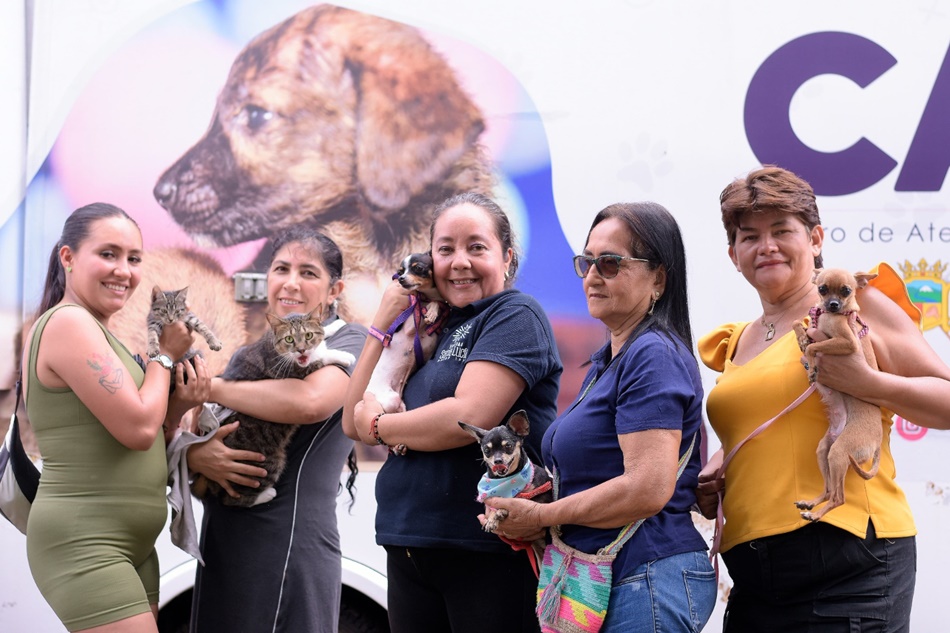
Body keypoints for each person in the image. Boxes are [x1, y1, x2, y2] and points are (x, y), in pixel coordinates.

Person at [694, 165, 950, 632]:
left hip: (849, 567)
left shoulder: (858, 308)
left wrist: (867, 382)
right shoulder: (737, 340)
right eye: (749, 236)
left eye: (781, 230)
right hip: (754, 581)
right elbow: (775, 422)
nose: (766, 246)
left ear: (814, 239)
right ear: (733, 255)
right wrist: (721, 467)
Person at [487, 202, 717, 633]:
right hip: (617, 578)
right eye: (586, 262)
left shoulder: (652, 355)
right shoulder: (611, 360)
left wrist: (540, 517)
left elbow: (646, 488)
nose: (592, 275)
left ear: (658, 278)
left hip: (645, 576)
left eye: (610, 263)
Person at [343, 192, 562, 633]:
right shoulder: (436, 324)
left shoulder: (515, 315)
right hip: (408, 541)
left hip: (486, 545)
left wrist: (381, 426)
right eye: (445, 250)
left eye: (476, 247)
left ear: (507, 257)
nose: (459, 262)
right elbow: (351, 420)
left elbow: (469, 416)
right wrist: (381, 324)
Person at [21, 202, 208, 633]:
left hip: (132, 546)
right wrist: (165, 355)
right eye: (108, 254)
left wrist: (178, 408)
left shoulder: (98, 331)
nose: (123, 270)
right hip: (86, 542)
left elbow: (146, 434)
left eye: (134, 258)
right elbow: (138, 429)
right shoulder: (68, 323)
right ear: (68, 257)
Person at [185, 227, 366, 633]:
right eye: (281, 269)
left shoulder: (350, 339)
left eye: (308, 273)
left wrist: (210, 387)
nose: (291, 283)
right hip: (224, 538)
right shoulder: (255, 349)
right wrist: (198, 454)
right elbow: (199, 423)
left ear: (334, 290)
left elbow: (309, 401)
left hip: (287, 541)